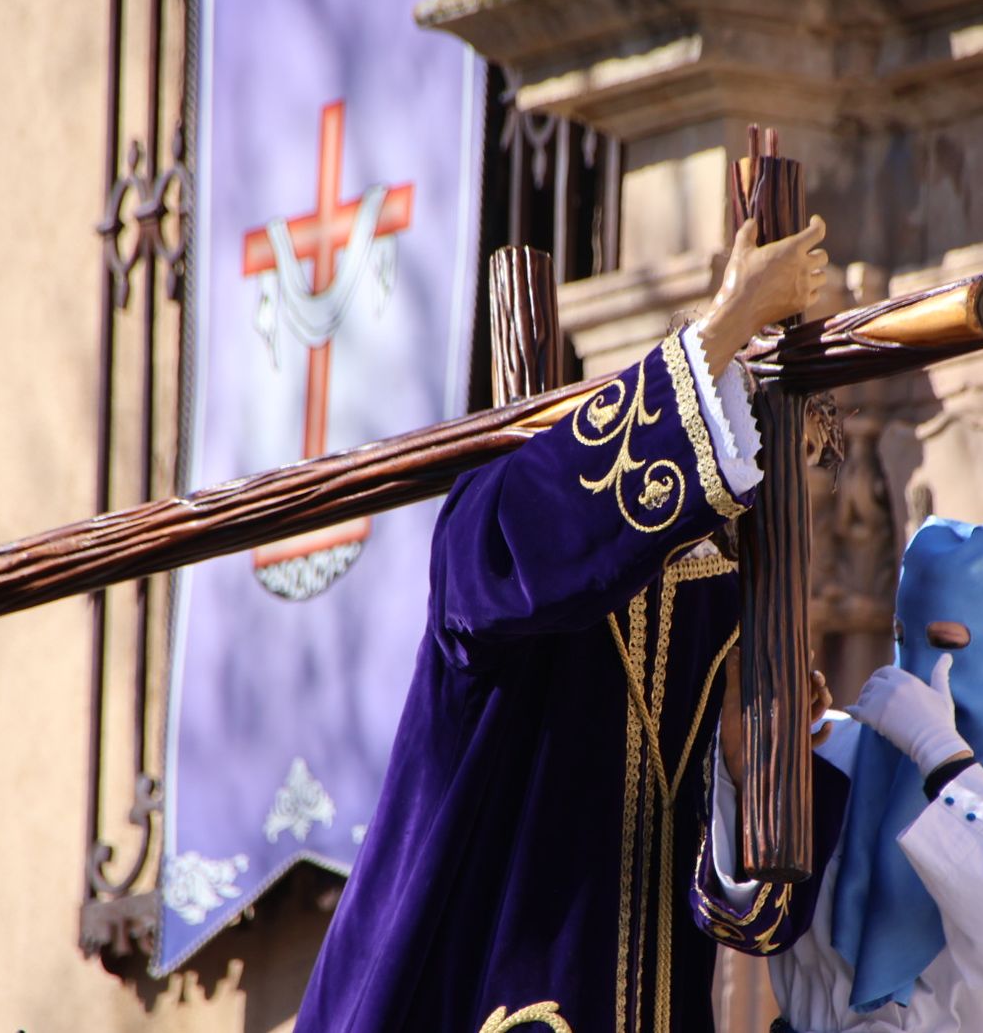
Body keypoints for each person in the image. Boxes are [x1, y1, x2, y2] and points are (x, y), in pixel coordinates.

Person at [293, 213, 829, 1033]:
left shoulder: (731, 621)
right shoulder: (491, 533)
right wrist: (725, 330)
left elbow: (755, 920)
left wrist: (741, 770)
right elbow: (539, 521)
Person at [694, 518, 983, 1033]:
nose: (925, 664)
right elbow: (744, 918)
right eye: (905, 637)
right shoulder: (834, 752)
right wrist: (750, 775)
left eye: (948, 641)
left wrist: (944, 760)